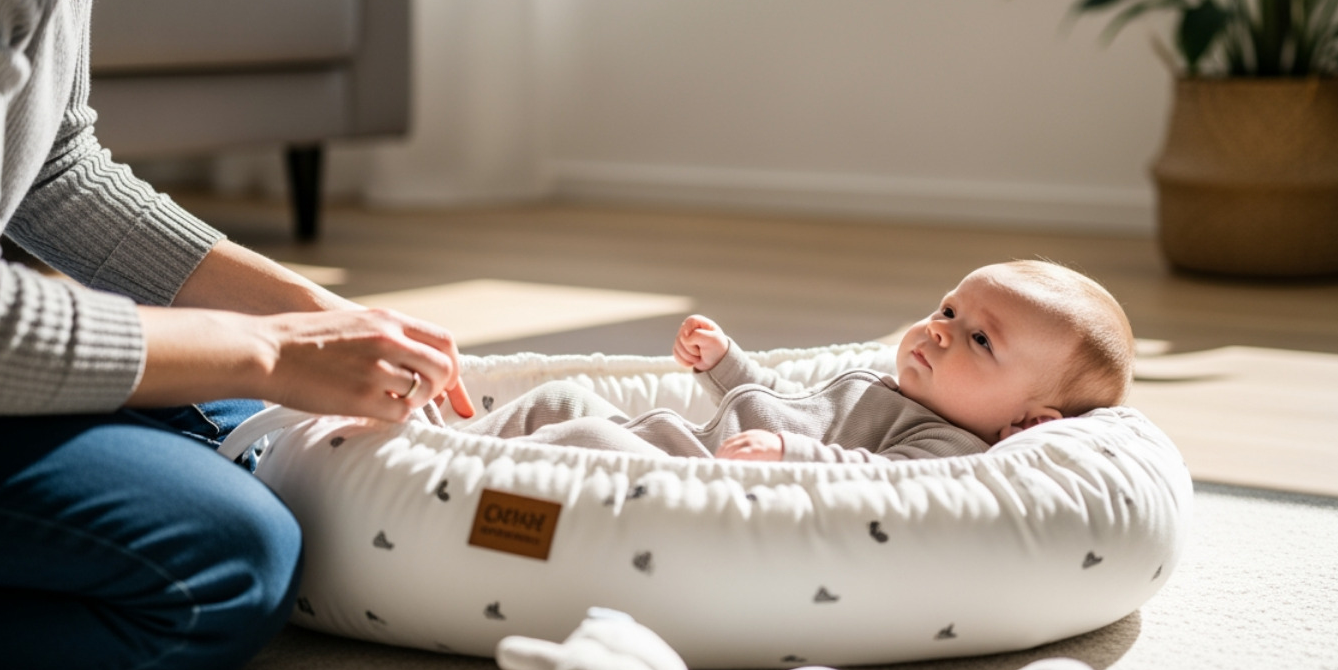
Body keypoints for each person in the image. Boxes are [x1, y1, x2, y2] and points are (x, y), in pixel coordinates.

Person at [0, 0, 472, 670]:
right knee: (227, 556)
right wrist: (276, 351)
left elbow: (54, 169)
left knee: (246, 427)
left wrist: (316, 318)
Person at [460, 261, 1135, 463]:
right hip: (685, 438)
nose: (938, 330)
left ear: (1024, 423)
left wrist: (791, 454)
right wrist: (727, 365)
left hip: (689, 473)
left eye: (980, 340)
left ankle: (448, 471)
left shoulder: (945, 443)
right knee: (567, 400)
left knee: (582, 434)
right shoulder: (884, 384)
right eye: (949, 309)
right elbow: (784, 397)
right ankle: (448, 447)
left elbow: (877, 483)